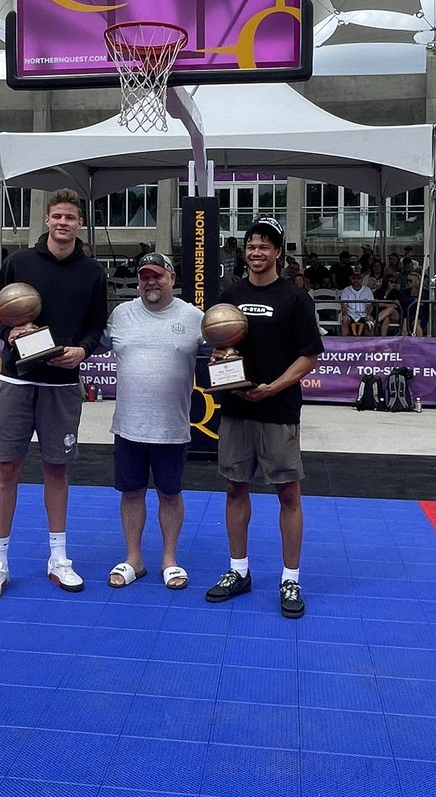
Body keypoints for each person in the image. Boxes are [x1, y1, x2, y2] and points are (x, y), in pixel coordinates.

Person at [0, 188, 108, 602]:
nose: (63, 223)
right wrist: (7, 331)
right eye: (57, 216)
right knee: (7, 471)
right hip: (16, 381)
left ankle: (58, 558)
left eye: (71, 217)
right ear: (46, 221)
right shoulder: (19, 262)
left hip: (62, 386)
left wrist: (84, 350)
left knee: (57, 471)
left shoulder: (92, 272)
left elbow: (95, 326)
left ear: (79, 224)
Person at [205, 216, 323, 619]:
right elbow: (217, 351)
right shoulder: (228, 297)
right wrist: (226, 381)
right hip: (236, 410)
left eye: (265, 245)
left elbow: (309, 354)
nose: (257, 251)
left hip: (278, 410)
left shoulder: (295, 298)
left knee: (288, 495)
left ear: (278, 252)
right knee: (236, 489)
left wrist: (274, 386)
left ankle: (290, 577)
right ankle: (239, 571)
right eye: (252, 245)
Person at [104, 252, 203, 590]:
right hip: (128, 426)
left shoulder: (195, 317)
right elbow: (86, 341)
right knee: (131, 493)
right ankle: (134, 559)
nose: (151, 282)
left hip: (172, 427)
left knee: (170, 495)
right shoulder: (120, 314)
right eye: (145, 276)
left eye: (157, 276)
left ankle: (169, 560)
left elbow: (224, 349)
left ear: (172, 278)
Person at [340, 270, 374, 336]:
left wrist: (368, 314)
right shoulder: (346, 290)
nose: (356, 280)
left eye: (358, 278)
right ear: (351, 279)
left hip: (363, 314)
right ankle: (344, 340)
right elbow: (343, 305)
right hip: (350, 314)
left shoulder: (367, 290)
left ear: (361, 280)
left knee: (370, 319)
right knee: (345, 319)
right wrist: (345, 314)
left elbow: (370, 305)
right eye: (354, 278)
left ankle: (369, 342)